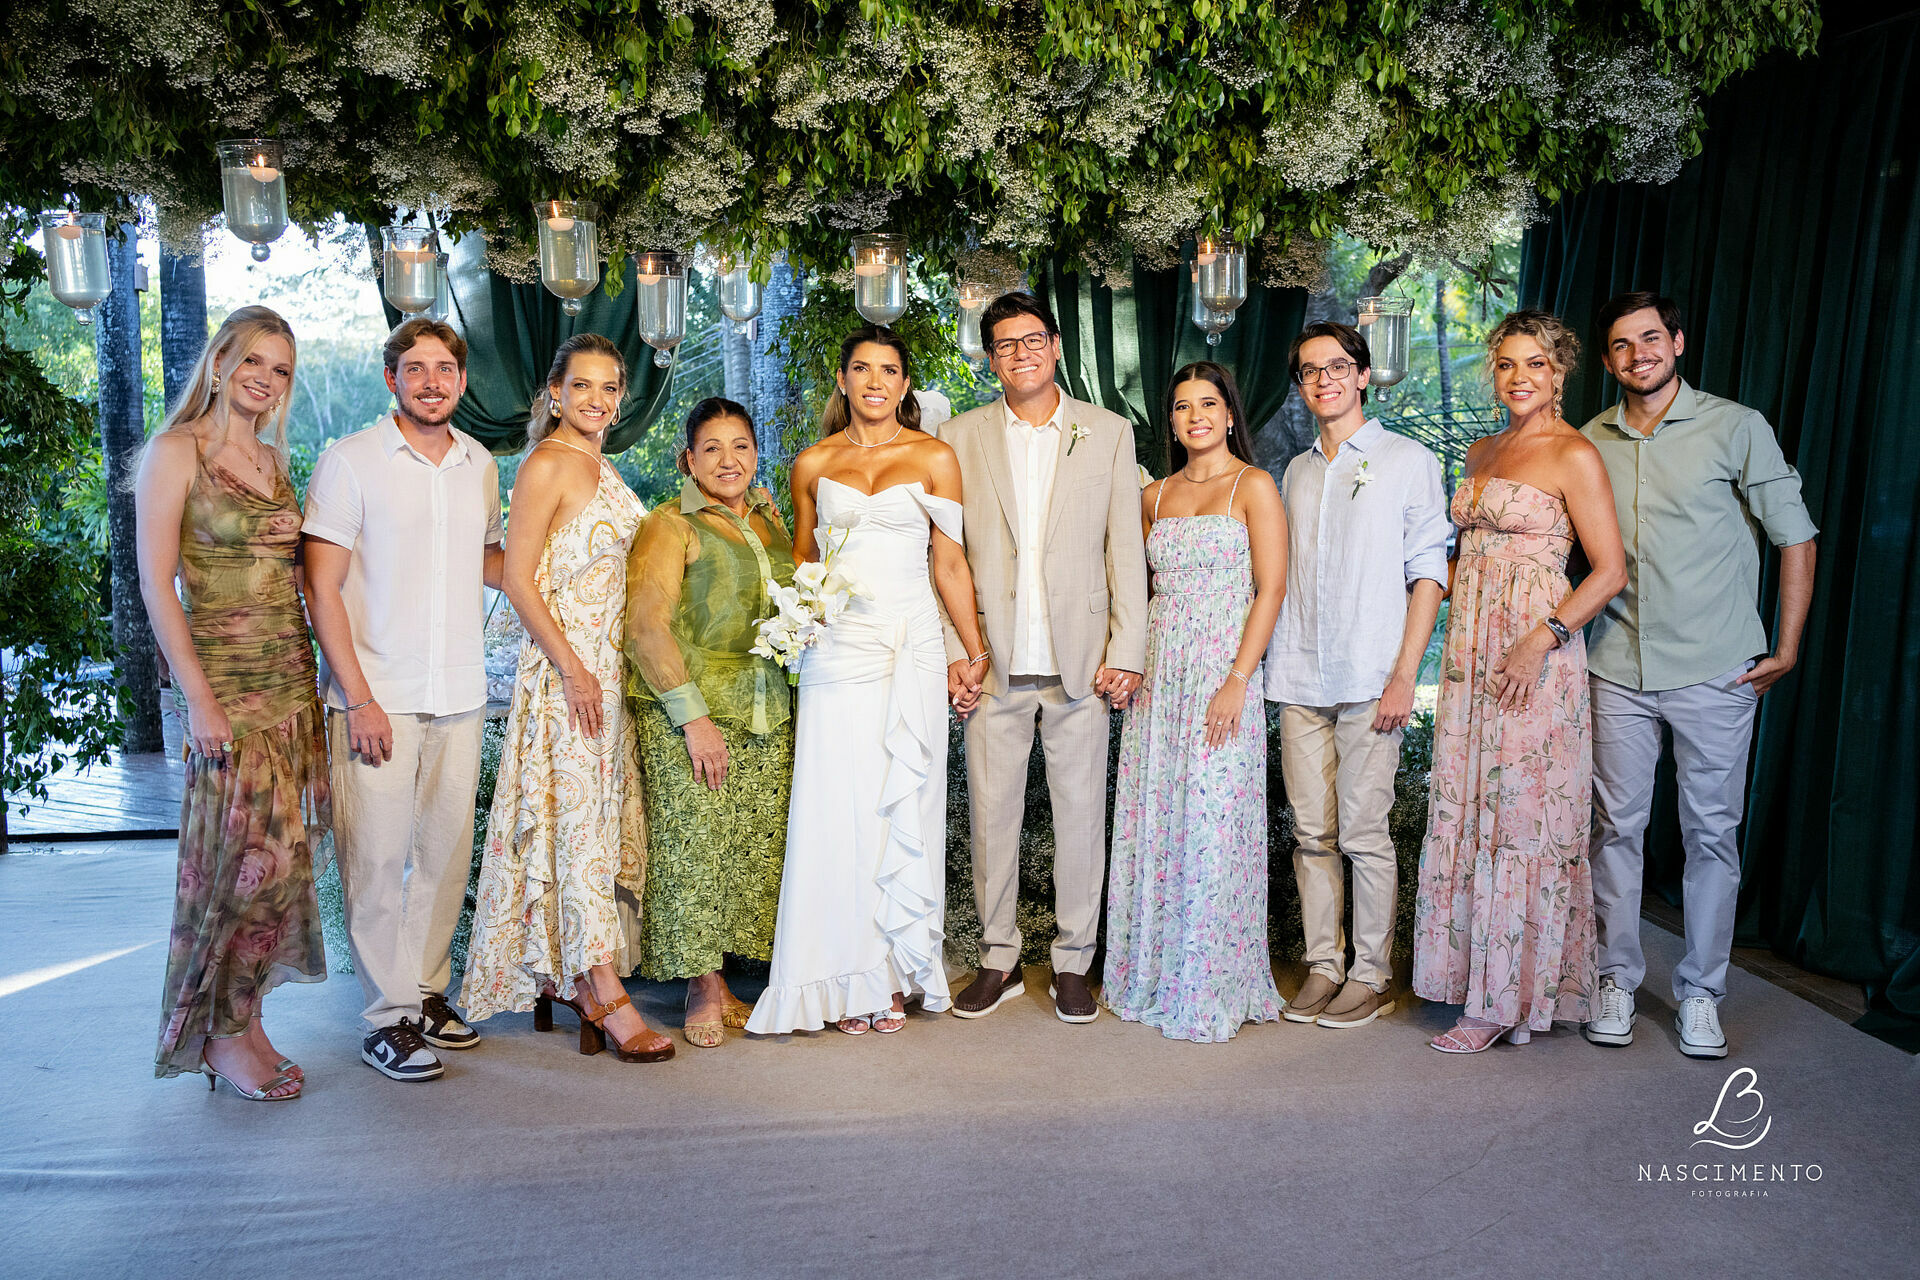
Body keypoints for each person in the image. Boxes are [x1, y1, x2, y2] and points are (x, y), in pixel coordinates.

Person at [1578, 292, 1818, 1059]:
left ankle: (1703, 993)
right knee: (1615, 828)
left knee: (1711, 834)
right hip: (1614, 666)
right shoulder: (1588, 441)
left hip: (1715, 670)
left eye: (1650, 339)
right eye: (1621, 345)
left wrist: (1786, 645)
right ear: (1609, 359)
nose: (1637, 354)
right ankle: (1615, 978)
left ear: (1677, 342)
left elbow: (1796, 537)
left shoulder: (1736, 426)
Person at [746, 327, 991, 1037]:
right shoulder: (813, 462)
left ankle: (889, 976)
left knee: (901, 808)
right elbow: (802, 560)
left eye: (890, 370)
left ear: (906, 384)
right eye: (862, 368)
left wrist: (972, 654)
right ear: (844, 378)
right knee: (837, 810)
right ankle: (835, 979)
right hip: (838, 651)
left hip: (910, 644)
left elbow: (950, 564)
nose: (876, 381)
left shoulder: (936, 457)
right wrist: (801, 622)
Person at [1412, 309, 1628, 1053]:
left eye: (1535, 363)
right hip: (1471, 655)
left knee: (1521, 815)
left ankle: (1505, 1000)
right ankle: (1478, 979)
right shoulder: (1481, 448)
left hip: (1536, 654)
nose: (1519, 377)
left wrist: (1543, 638)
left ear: (1561, 370)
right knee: (1472, 806)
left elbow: (1610, 571)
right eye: (1506, 364)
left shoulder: (1574, 454)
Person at [938, 292, 1149, 1025]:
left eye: (1032, 341)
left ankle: (1071, 961)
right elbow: (944, 554)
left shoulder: (1109, 432)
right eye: (1004, 344)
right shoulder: (958, 437)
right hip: (991, 661)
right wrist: (954, 654)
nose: (1020, 354)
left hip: (1080, 661)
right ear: (989, 356)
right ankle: (997, 957)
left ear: (1055, 346)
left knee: (1081, 818)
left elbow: (1126, 546)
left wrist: (1128, 649)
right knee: (992, 818)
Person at [303, 316, 503, 1082]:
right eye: (415, 368)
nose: (431, 382)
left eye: (444, 369)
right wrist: (357, 698)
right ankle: (386, 1020)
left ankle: (423, 992)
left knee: (445, 856)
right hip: (374, 695)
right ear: (392, 379)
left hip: (458, 689)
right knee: (378, 860)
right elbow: (320, 588)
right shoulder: (350, 462)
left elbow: (487, 561)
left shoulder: (478, 464)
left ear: (460, 380)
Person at [461, 334, 666, 1062]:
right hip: (566, 674)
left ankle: (566, 978)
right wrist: (575, 670)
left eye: (610, 387)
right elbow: (518, 579)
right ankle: (602, 989)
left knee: (593, 828)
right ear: (554, 392)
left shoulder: (599, 464)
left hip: (606, 673)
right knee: (575, 831)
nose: (599, 400)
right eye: (583, 386)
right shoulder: (547, 463)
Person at [141, 306, 327, 1099]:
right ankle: (217, 1038)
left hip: (292, 684)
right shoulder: (174, 452)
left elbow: (299, 579)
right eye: (253, 360)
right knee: (238, 872)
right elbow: (157, 586)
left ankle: (245, 1022)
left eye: (281, 369)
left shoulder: (273, 460)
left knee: (283, 872)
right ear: (219, 362)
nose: (265, 378)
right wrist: (199, 702)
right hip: (227, 691)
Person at [1263, 322, 1449, 1030]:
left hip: (1373, 674)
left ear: (1364, 375)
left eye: (1338, 367)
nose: (1324, 380)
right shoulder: (1297, 470)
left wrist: (1406, 674)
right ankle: (1323, 965)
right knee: (1311, 833)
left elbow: (1428, 574)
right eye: (1310, 371)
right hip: (1300, 674)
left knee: (1364, 834)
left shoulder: (1409, 461)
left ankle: (1371, 974)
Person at [1102, 362, 1288, 1042]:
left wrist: (1239, 677)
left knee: (1212, 825)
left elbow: (1270, 588)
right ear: (1172, 421)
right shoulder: (1154, 496)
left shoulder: (1254, 486)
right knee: (1160, 821)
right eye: (1181, 407)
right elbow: (1134, 588)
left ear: (1231, 413)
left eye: (1207, 404)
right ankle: (1150, 972)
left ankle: (1211, 980)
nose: (1194, 417)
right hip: (1160, 675)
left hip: (1221, 672)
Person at [625, 398, 797, 1048]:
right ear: (687, 459)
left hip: (764, 708)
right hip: (694, 709)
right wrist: (692, 718)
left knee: (742, 855)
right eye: (713, 448)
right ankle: (699, 985)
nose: (729, 460)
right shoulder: (670, 524)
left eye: (741, 446)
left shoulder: (765, 518)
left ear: (756, 454)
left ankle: (723, 981)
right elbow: (646, 627)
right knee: (693, 852)